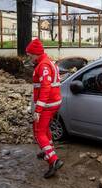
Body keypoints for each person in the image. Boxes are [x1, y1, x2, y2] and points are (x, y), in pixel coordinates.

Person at [26, 39, 64, 178]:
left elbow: (45, 88)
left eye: (30, 55)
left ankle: (54, 161)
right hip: (53, 102)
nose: (29, 57)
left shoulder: (43, 66)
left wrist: (38, 110)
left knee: (38, 132)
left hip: (47, 104)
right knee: (45, 128)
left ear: (36, 54)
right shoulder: (47, 62)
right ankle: (48, 150)